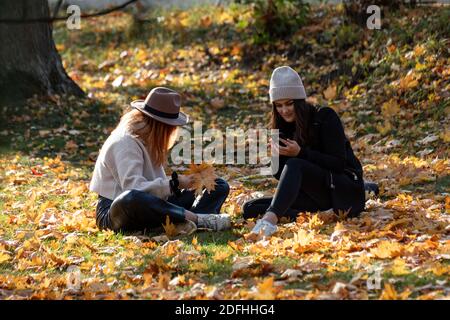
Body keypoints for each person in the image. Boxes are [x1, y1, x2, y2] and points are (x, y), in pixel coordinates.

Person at [243, 66, 378, 237]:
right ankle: (320, 213)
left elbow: (338, 164)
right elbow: (279, 175)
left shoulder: (325, 116)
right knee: (249, 208)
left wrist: (301, 153)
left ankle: (270, 220)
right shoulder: (283, 125)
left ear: (299, 101)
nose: (284, 110)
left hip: (340, 187)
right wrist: (276, 156)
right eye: (278, 105)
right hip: (314, 195)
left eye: (289, 103)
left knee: (295, 165)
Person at [90, 87, 231, 234]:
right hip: (117, 211)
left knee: (218, 185)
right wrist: (174, 184)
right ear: (162, 126)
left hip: (152, 203)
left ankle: (189, 222)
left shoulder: (147, 138)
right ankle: (196, 219)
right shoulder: (125, 142)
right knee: (131, 197)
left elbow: (157, 191)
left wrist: (187, 183)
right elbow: (135, 189)